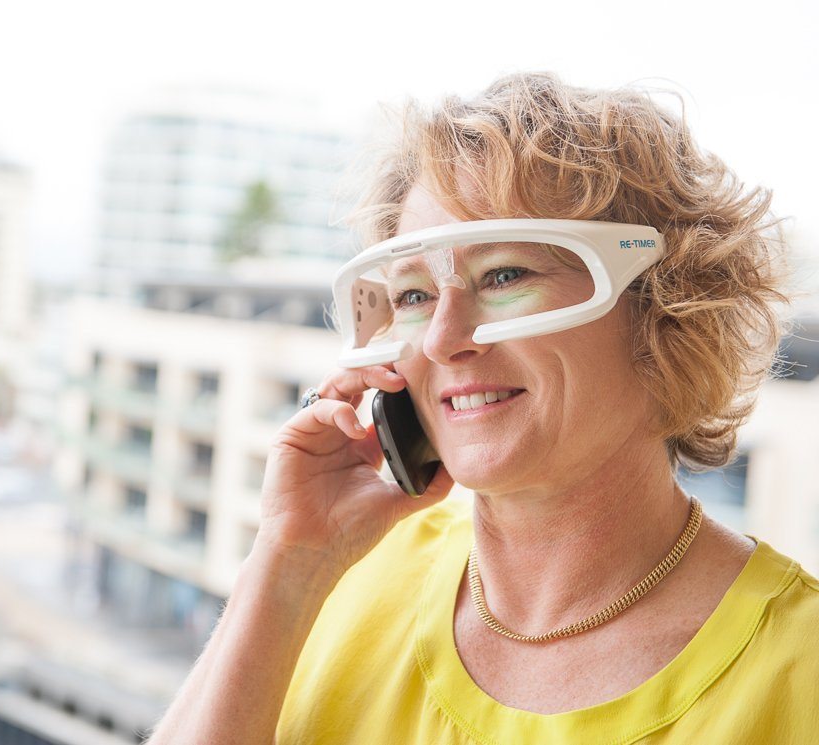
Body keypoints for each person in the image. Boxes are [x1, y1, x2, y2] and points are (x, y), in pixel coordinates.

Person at [147, 73, 819, 744]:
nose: (442, 338)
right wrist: (290, 559)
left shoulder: (797, 672)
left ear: (664, 308)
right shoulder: (343, 574)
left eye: (504, 275)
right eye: (413, 295)